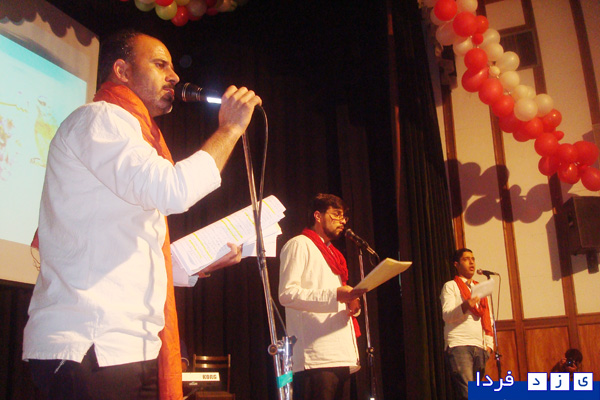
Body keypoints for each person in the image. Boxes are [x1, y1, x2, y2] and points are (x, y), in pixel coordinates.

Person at [22, 29, 261, 400]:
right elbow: (175, 190)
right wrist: (230, 128)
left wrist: (197, 264)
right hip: (89, 343)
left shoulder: (137, 136)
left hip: (134, 346)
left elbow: (128, 252)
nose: (174, 76)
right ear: (122, 71)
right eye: (160, 65)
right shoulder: (99, 119)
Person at [278, 193, 366, 400]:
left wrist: (350, 302)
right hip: (316, 355)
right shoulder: (299, 244)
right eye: (336, 215)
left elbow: (334, 295)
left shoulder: (333, 253)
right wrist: (335, 295)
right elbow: (287, 294)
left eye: (344, 217)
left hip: (341, 352)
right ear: (318, 216)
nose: (342, 221)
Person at [440, 248, 494, 400]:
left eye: (473, 259)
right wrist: (466, 305)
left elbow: (487, 317)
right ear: (456, 265)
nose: (471, 262)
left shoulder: (480, 288)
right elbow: (447, 315)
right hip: (459, 345)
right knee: (469, 394)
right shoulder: (450, 286)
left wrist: (489, 346)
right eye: (466, 259)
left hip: (480, 346)